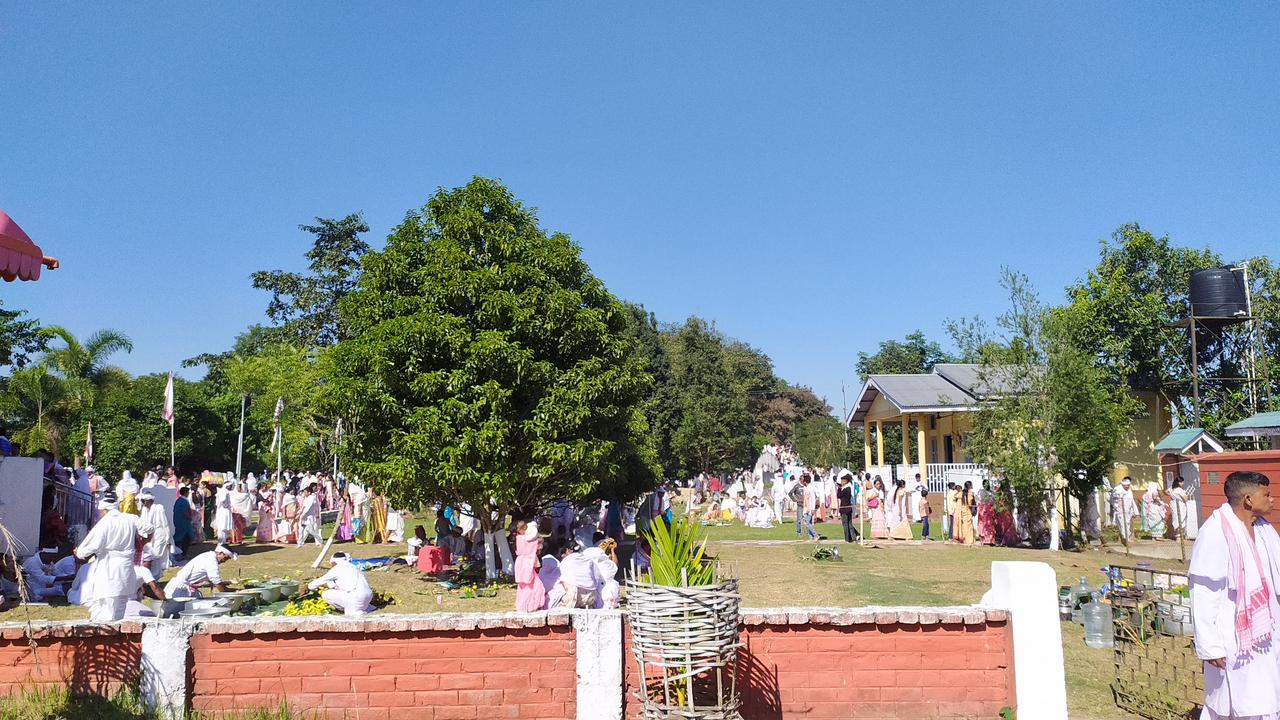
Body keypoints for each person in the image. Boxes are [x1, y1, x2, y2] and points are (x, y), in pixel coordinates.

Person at [1190, 470, 1280, 720]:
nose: (1272, 499)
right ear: (1248, 499)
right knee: (1238, 701)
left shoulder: (1264, 529)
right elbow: (1203, 593)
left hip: (1266, 631)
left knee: (1266, 696)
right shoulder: (1215, 532)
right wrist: (1210, 646)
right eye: (1267, 495)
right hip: (1233, 638)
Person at [74, 492, 151, 622]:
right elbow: (150, 528)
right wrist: (144, 541)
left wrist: (80, 553)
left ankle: (105, 630)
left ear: (105, 510)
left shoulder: (105, 523)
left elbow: (95, 545)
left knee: (106, 606)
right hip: (126, 567)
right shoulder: (131, 518)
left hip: (109, 568)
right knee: (121, 604)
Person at [309, 552, 373, 617]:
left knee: (326, 594)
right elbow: (333, 585)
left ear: (334, 562)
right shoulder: (354, 567)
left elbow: (314, 584)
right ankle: (363, 607)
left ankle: (352, 609)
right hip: (368, 596)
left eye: (331, 564)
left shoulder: (337, 568)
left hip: (355, 597)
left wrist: (307, 586)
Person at [164, 545, 236, 599]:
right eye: (225, 558)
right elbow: (217, 583)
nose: (225, 561)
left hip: (184, 587)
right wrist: (232, 592)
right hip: (180, 590)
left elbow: (213, 580)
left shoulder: (209, 555)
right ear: (220, 553)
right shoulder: (211, 561)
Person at [551, 543, 606, 609]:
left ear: (568, 550)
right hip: (590, 597)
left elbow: (560, 578)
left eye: (563, 554)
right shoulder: (588, 559)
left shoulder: (566, 560)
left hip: (573, 596)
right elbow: (597, 577)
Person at [138, 491, 172, 577]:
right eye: (142, 501)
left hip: (159, 533)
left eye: (144, 501)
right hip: (149, 535)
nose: (143, 503)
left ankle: (155, 574)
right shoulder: (144, 510)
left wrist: (168, 537)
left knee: (157, 554)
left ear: (150, 500)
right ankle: (156, 574)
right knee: (150, 554)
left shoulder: (159, 508)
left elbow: (165, 523)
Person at [514, 521, 546, 612]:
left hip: (521, 563)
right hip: (527, 563)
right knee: (532, 585)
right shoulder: (525, 539)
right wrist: (539, 540)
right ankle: (531, 605)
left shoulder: (519, 538)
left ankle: (525, 605)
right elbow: (538, 543)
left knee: (524, 585)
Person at [1111, 477, 1139, 544]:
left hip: (1128, 511)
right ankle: (1124, 538)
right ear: (1122, 485)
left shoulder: (1129, 491)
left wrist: (1135, 511)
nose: (1127, 487)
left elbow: (1132, 501)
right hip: (1120, 511)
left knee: (1127, 524)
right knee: (1122, 524)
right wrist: (1117, 506)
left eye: (1128, 485)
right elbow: (1113, 500)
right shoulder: (1117, 490)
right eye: (1125, 486)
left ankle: (1126, 538)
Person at [837, 472, 858, 543]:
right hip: (848, 508)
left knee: (845, 524)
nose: (841, 482)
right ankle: (853, 538)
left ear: (846, 481)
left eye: (842, 481)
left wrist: (839, 488)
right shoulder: (849, 488)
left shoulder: (846, 489)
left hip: (845, 508)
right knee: (850, 524)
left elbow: (839, 495)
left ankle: (847, 539)